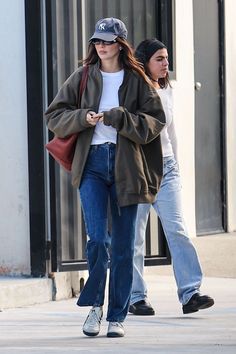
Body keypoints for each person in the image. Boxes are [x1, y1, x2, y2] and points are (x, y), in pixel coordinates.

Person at [45, 20, 165, 337]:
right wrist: (81, 117)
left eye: (108, 41)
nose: (101, 46)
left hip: (128, 168)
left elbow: (155, 122)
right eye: (97, 40)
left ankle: (117, 316)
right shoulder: (83, 76)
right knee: (98, 239)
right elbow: (53, 115)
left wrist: (121, 117)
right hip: (93, 165)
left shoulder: (138, 79)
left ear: (121, 44)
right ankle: (95, 308)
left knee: (124, 247)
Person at [129, 38, 214, 316]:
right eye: (160, 59)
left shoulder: (167, 89)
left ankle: (191, 293)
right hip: (139, 170)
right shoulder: (133, 91)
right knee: (134, 236)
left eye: (167, 58)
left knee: (178, 230)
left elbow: (172, 132)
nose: (166, 64)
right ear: (145, 62)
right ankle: (136, 297)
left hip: (166, 169)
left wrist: (175, 165)